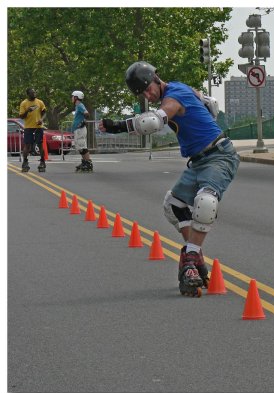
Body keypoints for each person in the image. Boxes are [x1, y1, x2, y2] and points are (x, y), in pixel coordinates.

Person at [98, 61, 240, 297]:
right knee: (173, 205)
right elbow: (210, 104)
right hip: (198, 161)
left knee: (205, 202)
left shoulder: (173, 96)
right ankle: (194, 256)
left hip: (218, 156)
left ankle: (191, 257)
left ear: (155, 78)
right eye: (141, 93)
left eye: (147, 88)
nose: (147, 95)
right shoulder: (179, 88)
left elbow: (153, 121)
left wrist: (118, 126)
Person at [19, 88, 47, 172]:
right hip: (28, 127)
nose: (34, 94)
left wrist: (41, 119)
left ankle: (42, 161)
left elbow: (44, 112)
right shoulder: (24, 103)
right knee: (27, 145)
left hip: (38, 127)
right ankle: (25, 162)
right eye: (32, 93)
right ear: (28, 94)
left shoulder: (40, 102)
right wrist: (27, 111)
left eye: (35, 92)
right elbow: (21, 116)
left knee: (40, 145)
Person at [71, 91, 93, 172]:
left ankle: (88, 163)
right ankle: (84, 162)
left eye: (72, 96)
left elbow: (87, 114)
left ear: (76, 97)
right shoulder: (77, 106)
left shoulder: (80, 105)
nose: (71, 98)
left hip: (80, 129)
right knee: (80, 147)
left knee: (82, 147)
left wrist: (83, 121)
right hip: (78, 129)